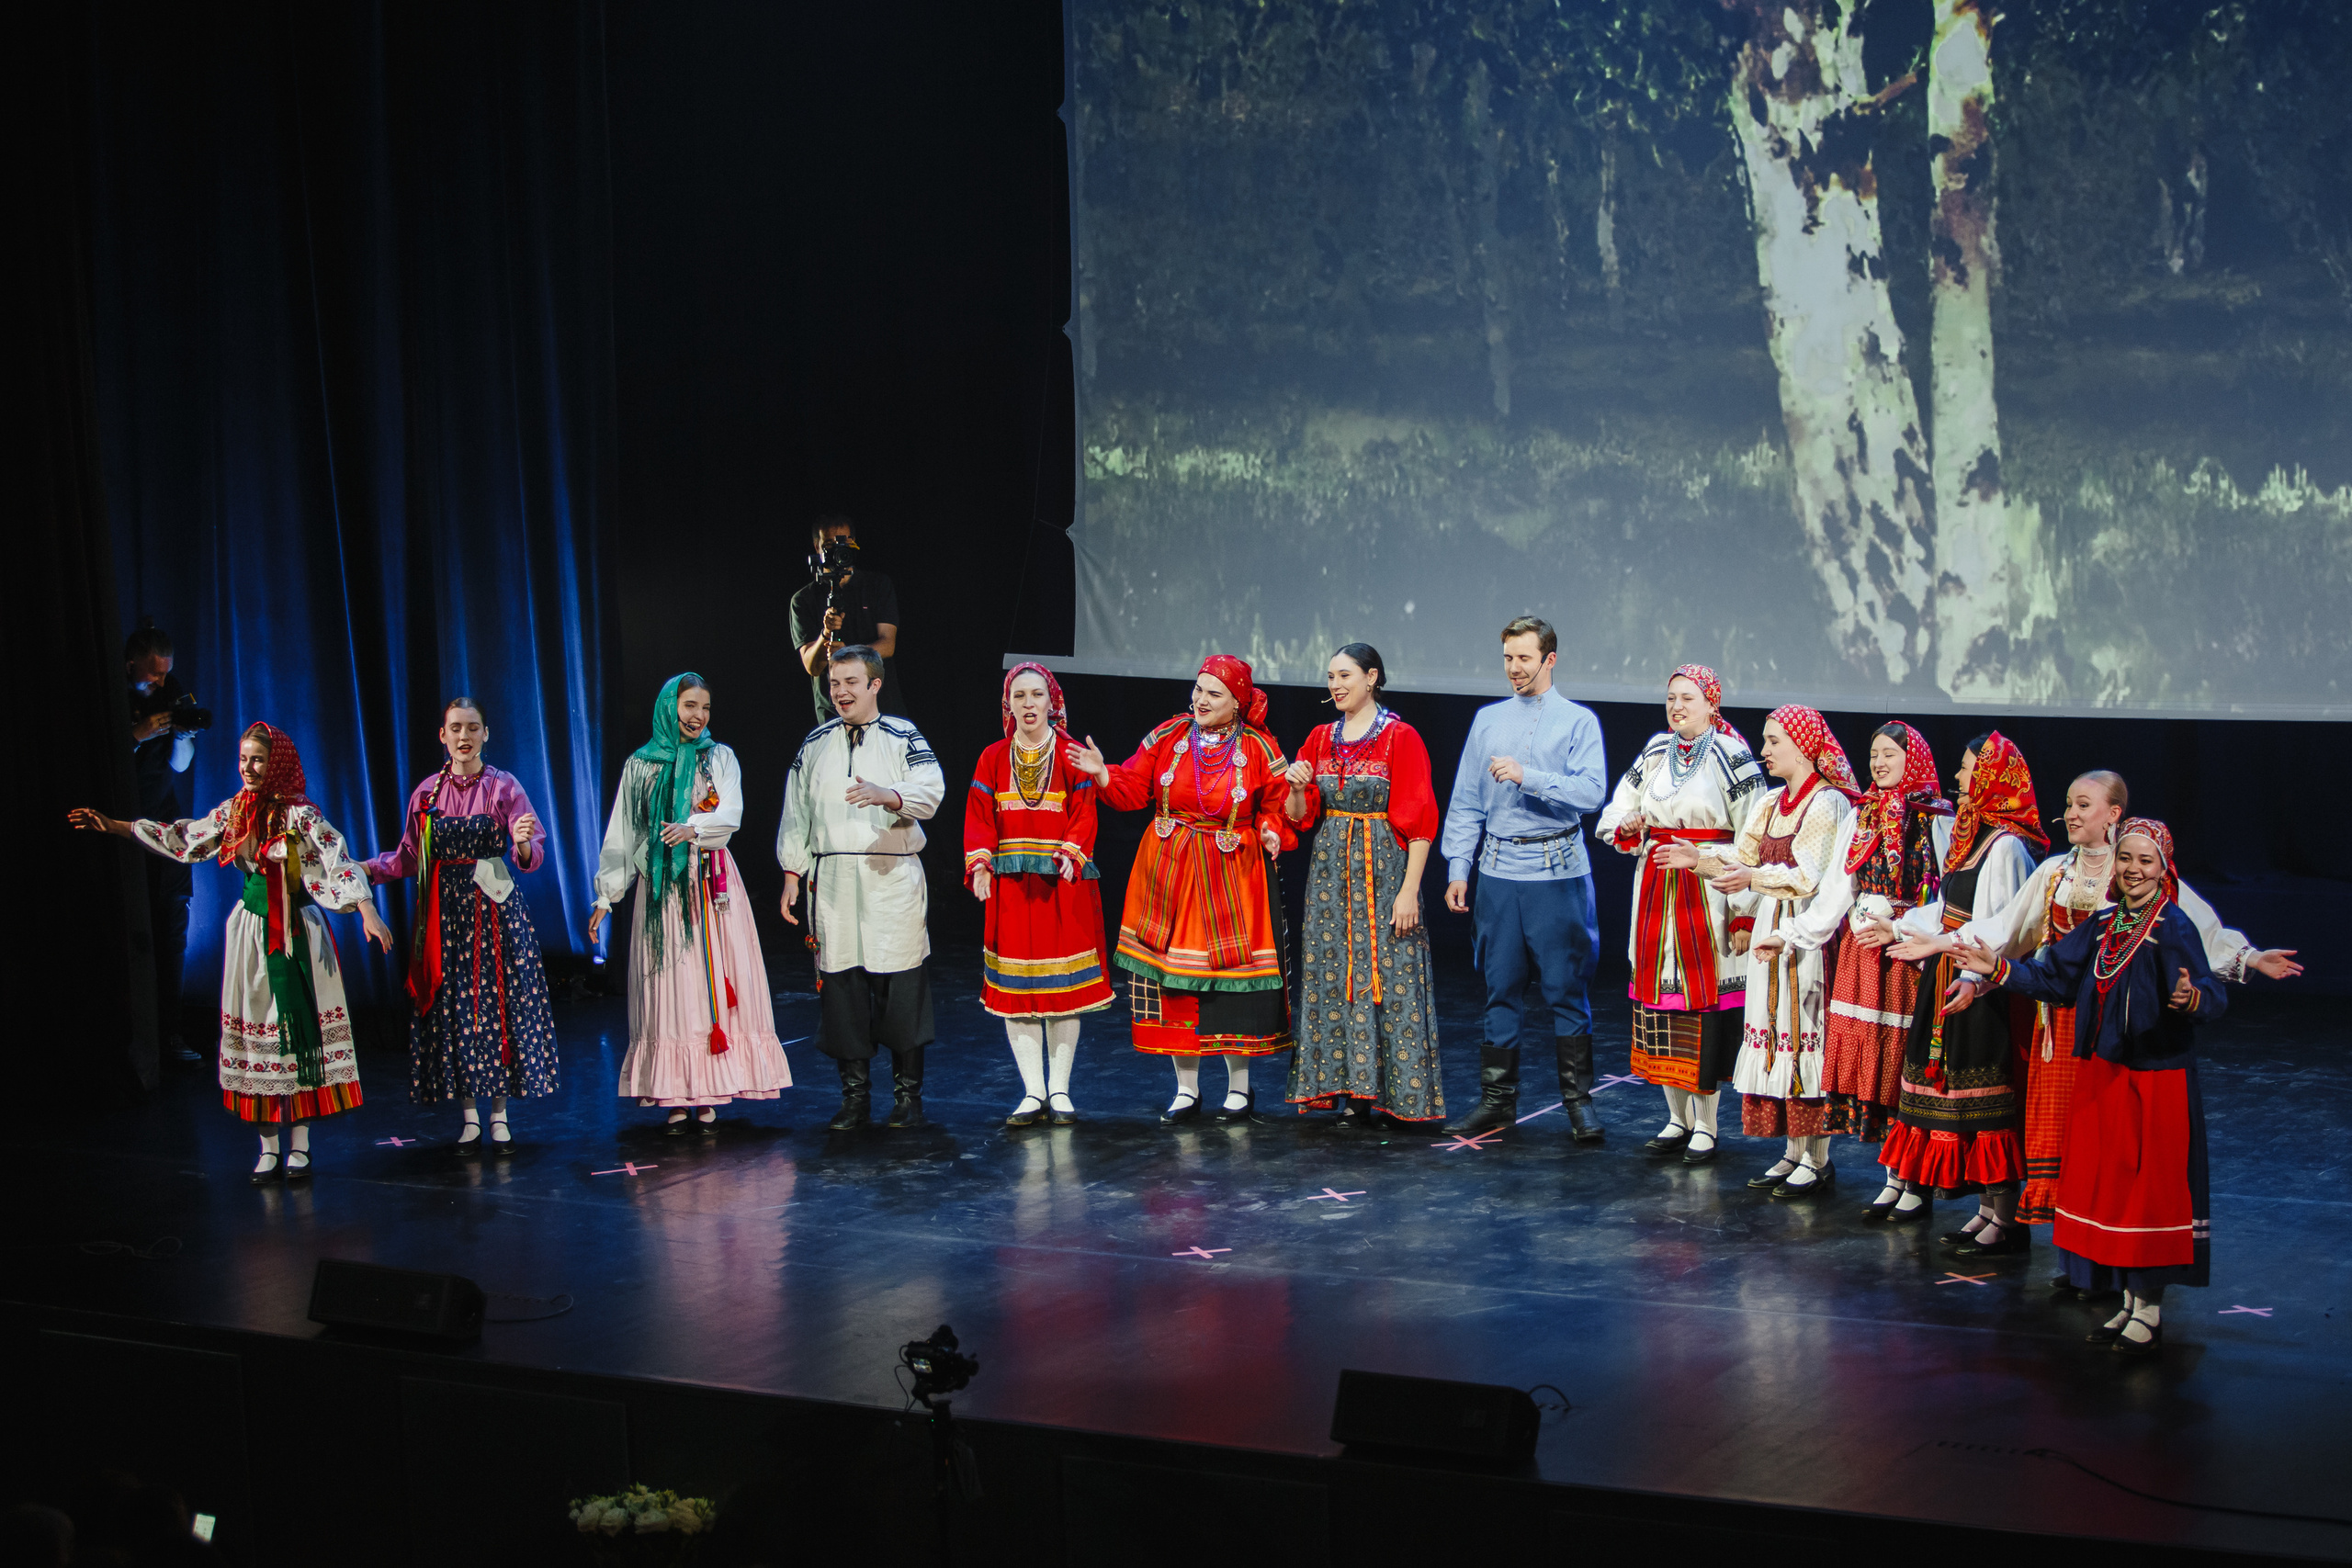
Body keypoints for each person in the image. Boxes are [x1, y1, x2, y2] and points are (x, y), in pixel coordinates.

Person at [1894, 770, 2299, 1265]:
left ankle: (2109, 1258)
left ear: (2113, 814)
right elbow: (2009, 931)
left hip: (2114, 1024)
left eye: (2084, 805)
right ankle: (2078, 1255)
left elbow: (2198, 927)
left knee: (2107, 1142)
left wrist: (2250, 958)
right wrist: (1966, 967)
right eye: (2068, 803)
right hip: (2059, 1023)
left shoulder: (2138, 869)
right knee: (2065, 1136)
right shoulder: (2054, 873)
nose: (2072, 814)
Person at [1948, 818, 2226, 1354]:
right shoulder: (2102, 926)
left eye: (2146, 861)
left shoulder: (2173, 928)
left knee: (2148, 1192)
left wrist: (2193, 999)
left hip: (2155, 1079)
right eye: (2126, 860)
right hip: (2102, 1075)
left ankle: (2149, 1310)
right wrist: (1999, 972)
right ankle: (2126, 1302)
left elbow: (2210, 993)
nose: (2134, 870)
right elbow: (2053, 977)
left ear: (2163, 867)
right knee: (2110, 1189)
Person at [72, 722, 395, 1181]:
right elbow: (183, 838)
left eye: (258, 759)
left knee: (298, 1032)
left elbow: (335, 860)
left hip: (298, 931)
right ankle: (267, 1147)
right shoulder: (233, 813)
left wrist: (366, 911)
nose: (249, 767)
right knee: (259, 1030)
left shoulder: (301, 815)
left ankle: (299, 1145)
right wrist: (119, 826)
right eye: (243, 758)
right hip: (252, 932)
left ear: (276, 762)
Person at [1067, 654, 1296, 1122]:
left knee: (1232, 984)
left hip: (1232, 874)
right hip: (1169, 870)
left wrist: (1272, 830)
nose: (1201, 699)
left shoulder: (1257, 746)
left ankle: (1239, 1088)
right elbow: (1133, 786)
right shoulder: (1170, 736)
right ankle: (1187, 1089)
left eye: (1214, 693)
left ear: (1238, 701)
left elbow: (1278, 803)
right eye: (1198, 689)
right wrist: (1103, 772)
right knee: (1172, 980)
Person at [1663, 705, 1858, 1198]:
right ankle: (1793, 1152)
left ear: (1803, 744)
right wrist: (1699, 859)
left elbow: (1810, 877)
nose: (1765, 750)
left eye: (1774, 741)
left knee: (1803, 1029)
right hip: (1774, 927)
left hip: (1808, 933)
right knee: (1776, 1032)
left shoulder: (1828, 804)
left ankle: (1818, 1158)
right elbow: (1743, 856)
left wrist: (1752, 878)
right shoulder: (1772, 802)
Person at [1863, 732, 2044, 1250]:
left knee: (1987, 1097)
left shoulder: (2006, 846)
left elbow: (2002, 929)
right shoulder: (1975, 837)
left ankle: (2004, 1218)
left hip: (1979, 986)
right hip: (1949, 973)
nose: (1961, 779)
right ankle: (1987, 1212)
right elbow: (1947, 910)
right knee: (1953, 1091)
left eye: (1968, 770)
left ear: (1991, 778)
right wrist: (1898, 928)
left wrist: (1966, 970)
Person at [591, 674, 792, 1130]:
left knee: (706, 984)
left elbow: (731, 813)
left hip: (710, 883)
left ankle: (712, 1088)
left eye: (704, 707)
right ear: (669, 707)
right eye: (689, 705)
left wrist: (693, 830)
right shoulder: (640, 765)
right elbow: (625, 834)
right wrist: (607, 896)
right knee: (670, 986)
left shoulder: (718, 756)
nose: (697, 715)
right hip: (662, 888)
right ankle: (675, 1091)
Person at [363, 696, 560, 1154]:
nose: (464, 736)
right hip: (446, 916)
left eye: (473, 728)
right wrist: (365, 870)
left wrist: (523, 844)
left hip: (494, 911)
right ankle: (469, 1116)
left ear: (485, 734)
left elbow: (529, 859)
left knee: (497, 1008)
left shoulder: (504, 787)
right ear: (443, 735)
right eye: (456, 728)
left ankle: (500, 1115)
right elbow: (409, 857)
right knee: (456, 1011)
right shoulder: (428, 794)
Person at [1439, 616, 1609, 1139]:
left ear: (1549, 660)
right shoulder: (1488, 719)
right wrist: (1458, 867)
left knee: (1565, 989)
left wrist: (1528, 776)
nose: (1515, 668)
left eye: (1525, 659)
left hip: (1557, 872)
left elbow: (1591, 793)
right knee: (1500, 988)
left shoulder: (1579, 722)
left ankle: (1579, 1103)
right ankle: (1497, 1101)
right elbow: (1466, 801)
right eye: (1508, 658)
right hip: (1498, 873)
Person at [1594, 664, 1765, 1165]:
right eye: (1671, 698)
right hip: (1655, 890)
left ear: (1712, 703)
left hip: (1706, 889)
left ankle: (1706, 1126)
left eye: (1688, 698)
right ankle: (1676, 1118)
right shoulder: (1653, 751)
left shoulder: (1733, 757)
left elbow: (1753, 838)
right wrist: (1627, 823)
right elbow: (1617, 809)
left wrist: (1742, 914)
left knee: (1699, 1007)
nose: (1677, 707)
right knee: (1659, 1003)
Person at [1785, 722, 1951, 1217]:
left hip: (1907, 950)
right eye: (1874, 755)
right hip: (1864, 951)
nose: (1879, 764)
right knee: (1876, 1066)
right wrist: (1797, 933)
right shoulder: (1863, 813)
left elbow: (1946, 893)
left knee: (1904, 1062)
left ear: (1912, 759)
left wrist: (1898, 926)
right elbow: (1839, 886)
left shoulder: (1933, 817)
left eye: (1890, 755)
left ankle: (1914, 1181)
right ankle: (1891, 1175)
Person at [780, 646, 947, 1129]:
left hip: (889, 876)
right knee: (843, 989)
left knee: (900, 986)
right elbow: (797, 813)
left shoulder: (902, 735)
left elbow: (931, 790)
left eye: (852, 682)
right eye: (835, 683)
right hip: (832, 880)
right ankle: (854, 1097)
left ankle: (907, 1097)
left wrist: (889, 795)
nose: (841, 692)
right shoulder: (815, 744)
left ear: (875, 685)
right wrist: (793, 872)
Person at [1282, 644, 1445, 1128]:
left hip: (1385, 872)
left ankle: (1398, 1093)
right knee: (1332, 975)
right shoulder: (1318, 738)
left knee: (1390, 977)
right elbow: (1300, 818)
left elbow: (1420, 821)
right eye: (1330, 676)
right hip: (1331, 877)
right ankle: (1350, 1091)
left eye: (1345, 675)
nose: (1335, 684)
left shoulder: (1401, 737)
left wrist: (1410, 889)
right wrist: (1294, 787)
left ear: (1371, 677)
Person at [961, 663, 1111, 1126]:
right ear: (1009, 704)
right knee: (1017, 991)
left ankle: (1061, 1090)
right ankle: (1032, 1091)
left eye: (1037, 695)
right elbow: (979, 816)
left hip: (1061, 884)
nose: (1029, 704)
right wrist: (981, 863)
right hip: (1012, 889)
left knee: (1063, 991)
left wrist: (1071, 852)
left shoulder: (1070, 755)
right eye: (1020, 696)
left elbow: (1085, 810)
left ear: (1053, 701)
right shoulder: (992, 757)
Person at [125, 622, 205, 1062]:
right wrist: (137, 736)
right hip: (123, 822)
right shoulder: (112, 692)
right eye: (152, 674)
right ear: (129, 664)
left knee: (172, 926)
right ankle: (135, 1038)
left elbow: (179, 766)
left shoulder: (170, 690)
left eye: (164, 674)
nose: (158, 681)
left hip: (165, 825)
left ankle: (171, 1034)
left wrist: (181, 735)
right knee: (130, 929)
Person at [787, 515, 902, 724]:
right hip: (834, 713)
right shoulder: (803, 600)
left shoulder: (877, 585)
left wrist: (848, 655)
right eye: (830, 545)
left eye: (845, 543)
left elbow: (888, 644)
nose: (838, 550)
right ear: (817, 547)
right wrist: (825, 634)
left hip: (881, 706)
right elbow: (812, 667)